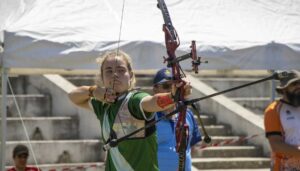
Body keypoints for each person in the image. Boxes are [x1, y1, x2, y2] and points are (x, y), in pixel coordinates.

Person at [68, 50, 192, 171]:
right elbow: (73, 96)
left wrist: (173, 96)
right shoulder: (102, 105)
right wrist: (93, 91)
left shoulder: (134, 100)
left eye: (121, 70)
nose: (115, 75)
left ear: (130, 75)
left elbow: (152, 102)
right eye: (109, 71)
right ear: (102, 77)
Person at [153, 68, 202, 171]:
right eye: (166, 86)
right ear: (155, 89)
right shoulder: (148, 116)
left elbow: (193, 147)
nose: (172, 90)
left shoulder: (187, 113)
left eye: (175, 86)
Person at [264, 70, 300, 171]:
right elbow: (276, 145)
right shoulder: (273, 110)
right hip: (283, 167)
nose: (298, 86)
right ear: (284, 89)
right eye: (294, 84)